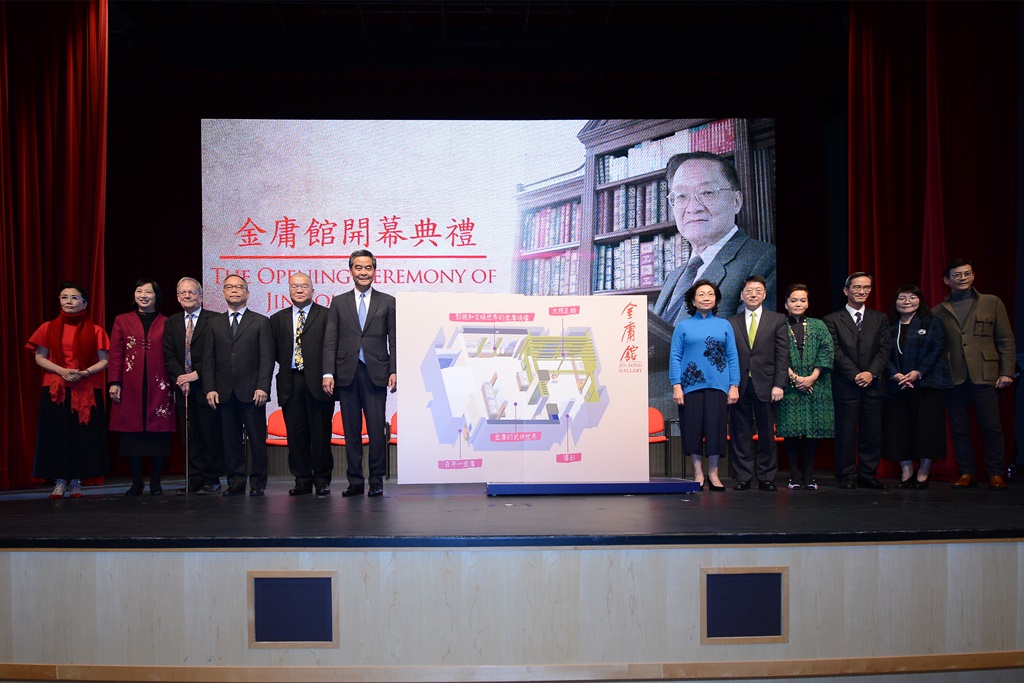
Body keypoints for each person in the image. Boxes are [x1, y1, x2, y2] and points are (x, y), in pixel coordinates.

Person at [652, 151, 776, 326]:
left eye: (707, 192)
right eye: (681, 196)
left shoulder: (765, 262)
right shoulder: (674, 276)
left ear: (736, 201)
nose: (693, 208)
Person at [932, 259, 1016, 489]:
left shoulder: (991, 302)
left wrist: (1007, 371)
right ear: (947, 280)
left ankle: (996, 472)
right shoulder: (938, 311)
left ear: (973, 276)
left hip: (986, 374)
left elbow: (1005, 339)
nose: (963, 278)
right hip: (953, 376)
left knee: (991, 426)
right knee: (959, 428)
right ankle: (966, 472)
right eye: (957, 275)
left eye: (967, 273)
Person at [322, 249, 397, 498]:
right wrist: (328, 373)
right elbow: (330, 341)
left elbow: (394, 340)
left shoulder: (387, 301)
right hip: (346, 374)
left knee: (376, 431)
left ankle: (376, 480)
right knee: (351, 430)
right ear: (351, 270)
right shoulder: (339, 302)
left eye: (368, 268)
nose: (363, 272)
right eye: (358, 267)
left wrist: (394, 370)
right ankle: (355, 481)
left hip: (376, 373)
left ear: (374, 271)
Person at [25, 282, 110, 499]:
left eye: (74, 297)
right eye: (64, 297)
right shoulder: (48, 327)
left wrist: (84, 373)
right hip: (56, 388)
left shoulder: (96, 329)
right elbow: (39, 357)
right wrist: (63, 371)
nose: (68, 302)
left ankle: (77, 483)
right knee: (56, 435)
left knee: (82, 436)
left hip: (86, 386)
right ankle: (59, 482)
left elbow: (104, 361)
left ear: (84, 302)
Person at [204, 275, 274, 496]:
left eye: (239, 287)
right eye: (229, 287)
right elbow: (208, 359)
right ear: (223, 293)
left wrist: (263, 386)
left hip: (253, 391)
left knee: (256, 440)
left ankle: (257, 483)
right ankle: (235, 481)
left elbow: (267, 358)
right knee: (230, 440)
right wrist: (210, 388)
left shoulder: (261, 321)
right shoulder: (214, 323)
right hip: (224, 391)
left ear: (247, 293)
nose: (234, 290)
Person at [669, 278, 740, 490]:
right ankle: (698, 474)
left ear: (716, 299)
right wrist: (676, 385)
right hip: (690, 386)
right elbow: (675, 356)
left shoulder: (724, 325)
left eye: (710, 294)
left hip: (719, 385)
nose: (706, 298)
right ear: (692, 299)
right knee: (692, 430)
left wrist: (734, 384)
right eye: (701, 294)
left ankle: (714, 474)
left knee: (716, 430)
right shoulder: (682, 326)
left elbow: (732, 356)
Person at [823, 272, 892, 490]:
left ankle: (868, 474)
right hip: (846, 385)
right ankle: (846, 475)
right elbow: (834, 351)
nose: (862, 291)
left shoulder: (880, 318)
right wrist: (855, 374)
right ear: (846, 291)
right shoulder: (832, 319)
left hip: (873, 384)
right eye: (857, 287)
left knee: (872, 432)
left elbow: (884, 349)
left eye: (866, 287)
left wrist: (871, 373)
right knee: (846, 433)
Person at [108, 279, 176, 495]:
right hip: (130, 386)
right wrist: (114, 382)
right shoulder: (122, 320)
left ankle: (156, 482)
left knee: (159, 434)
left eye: (149, 292)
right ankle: (136, 482)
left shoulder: (168, 321)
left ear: (157, 296)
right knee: (131, 436)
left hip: (160, 385)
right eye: (139, 291)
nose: (144, 295)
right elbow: (116, 353)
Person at [271, 272, 335, 496]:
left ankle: (322, 479)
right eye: (294, 286)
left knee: (320, 433)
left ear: (312, 290)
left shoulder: (327, 315)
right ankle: (302, 479)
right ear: (289, 290)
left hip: (319, 383)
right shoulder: (277, 319)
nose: (299, 290)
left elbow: (332, 348)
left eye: (304, 286)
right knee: (296, 435)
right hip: (290, 381)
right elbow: (276, 353)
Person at [881, 285, 950, 489]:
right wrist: (895, 375)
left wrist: (917, 373)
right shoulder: (891, 327)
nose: (907, 301)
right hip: (898, 386)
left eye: (912, 297)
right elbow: (884, 353)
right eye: (902, 298)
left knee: (928, 428)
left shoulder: (932, 323)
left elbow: (937, 349)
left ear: (920, 300)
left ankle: (924, 470)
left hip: (927, 384)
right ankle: (906, 469)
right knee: (899, 429)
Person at [727, 275, 789, 491]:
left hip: (768, 384)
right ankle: (743, 476)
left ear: (764, 294)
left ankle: (766, 477)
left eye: (758, 290)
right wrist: (730, 384)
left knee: (766, 435)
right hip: (739, 385)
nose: (753, 294)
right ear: (742, 294)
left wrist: (779, 384)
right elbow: (727, 356)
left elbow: (783, 355)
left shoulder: (778, 319)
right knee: (740, 433)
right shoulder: (731, 322)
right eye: (749, 291)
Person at [163, 277, 223, 494]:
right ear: (178, 297)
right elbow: (169, 354)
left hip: (207, 385)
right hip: (183, 387)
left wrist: (196, 375)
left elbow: (218, 354)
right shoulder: (171, 322)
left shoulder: (214, 319)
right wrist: (181, 377)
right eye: (183, 293)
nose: (187, 296)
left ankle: (212, 478)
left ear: (201, 296)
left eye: (191, 292)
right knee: (189, 436)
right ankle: (194, 478)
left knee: (209, 433)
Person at [775, 284, 833, 490]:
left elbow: (827, 350)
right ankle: (793, 476)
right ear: (785, 304)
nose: (798, 304)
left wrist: (812, 377)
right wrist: (795, 377)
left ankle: (809, 475)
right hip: (789, 385)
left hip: (815, 385)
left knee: (811, 432)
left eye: (802, 300)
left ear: (807, 303)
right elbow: (775, 354)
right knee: (791, 431)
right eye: (793, 300)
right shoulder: (779, 324)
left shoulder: (818, 325)